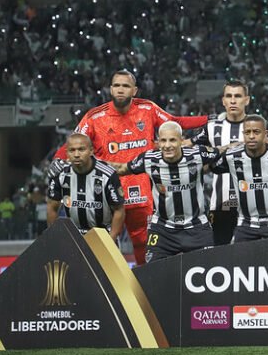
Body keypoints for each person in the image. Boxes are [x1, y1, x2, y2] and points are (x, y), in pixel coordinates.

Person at [50, 69, 209, 265]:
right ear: (110, 89)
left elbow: (175, 122)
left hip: (141, 192)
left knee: (144, 244)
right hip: (105, 194)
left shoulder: (148, 109)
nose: (120, 89)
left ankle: (147, 285)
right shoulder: (94, 117)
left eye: (125, 86)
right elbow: (75, 141)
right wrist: (57, 158)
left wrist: (210, 120)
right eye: (116, 85)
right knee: (103, 246)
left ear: (134, 90)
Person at [188, 79, 268, 245]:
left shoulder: (259, 125)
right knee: (221, 253)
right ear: (223, 100)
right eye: (229, 96)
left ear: (246, 100)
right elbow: (188, 150)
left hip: (256, 204)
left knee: (257, 253)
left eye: (238, 96)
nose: (233, 100)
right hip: (222, 202)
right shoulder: (212, 128)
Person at [110, 122, 220, 263]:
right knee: (153, 275)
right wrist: (93, 162)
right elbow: (121, 169)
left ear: (181, 140)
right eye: (163, 140)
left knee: (208, 273)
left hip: (197, 228)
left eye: (172, 140)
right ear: (158, 142)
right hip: (162, 230)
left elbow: (223, 151)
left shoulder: (198, 155)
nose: (167, 145)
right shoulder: (149, 159)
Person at [211, 115, 268, 241]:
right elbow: (213, 167)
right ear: (243, 134)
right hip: (246, 224)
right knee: (240, 260)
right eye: (247, 132)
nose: (251, 136)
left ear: (265, 134)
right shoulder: (231, 156)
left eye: (256, 132)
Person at [46, 133, 125, 241]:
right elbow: (52, 207)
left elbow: (119, 210)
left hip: (104, 235)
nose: (77, 154)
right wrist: (54, 237)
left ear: (91, 151)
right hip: (74, 237)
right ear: (67, 153)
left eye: (81, 149)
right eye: (72, 150)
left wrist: (111, 238)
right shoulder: (60, 174)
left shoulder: (107, 174)